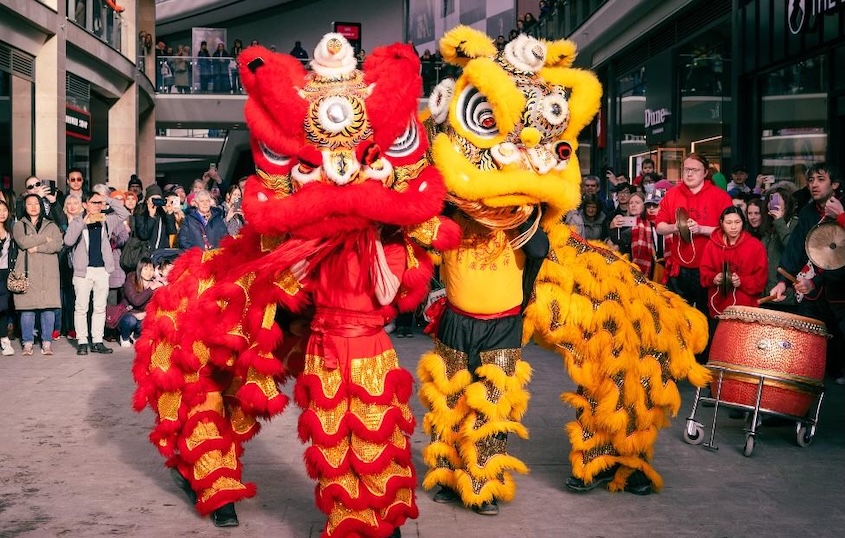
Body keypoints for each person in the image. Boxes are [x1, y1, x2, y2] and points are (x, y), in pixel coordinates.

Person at [771, 162, 845, 382]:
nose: (814, 185)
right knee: (806, 350)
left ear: (835, 184)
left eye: (821, 180)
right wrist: (783, 281)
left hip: (839, 293)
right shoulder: (808, 212)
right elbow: (795, 248)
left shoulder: (843, 207)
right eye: (811, 180)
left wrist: (842, 216)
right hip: (813, 296)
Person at [656, 153, 732, 328]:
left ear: (705, 172)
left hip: (710, 268)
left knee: (708, 317)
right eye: (686, 170)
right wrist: (677, 227)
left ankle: (706, 355)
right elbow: (659, 226)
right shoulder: (673, 194)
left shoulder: (719, 197)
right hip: (679, 267)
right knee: (677, 317)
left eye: (694, 170)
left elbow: (732, 231)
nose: (689, 174)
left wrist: (702, 229)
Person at [64, 186, 130, 355]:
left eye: (98, 203)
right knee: (81, 307)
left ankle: (97, 340)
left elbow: (124, 213)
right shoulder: (78, 221)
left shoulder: (106, 220)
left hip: (102, 270)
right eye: (93, 203)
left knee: (100, 307)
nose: (97, 206)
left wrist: (106, 199)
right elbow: (69, 241)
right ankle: (82, 341)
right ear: (85, 204)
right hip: (83, 271)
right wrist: (82, 223)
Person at [13, 193, 63, 356]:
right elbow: (22, 241)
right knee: (27, 309)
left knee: (48, 309)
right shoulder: (19, 225)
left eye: (36, 203)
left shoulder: (52, 225)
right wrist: (44, 239)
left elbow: (57, 244)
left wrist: (38, 246)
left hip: (48, 273)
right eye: (29, 204)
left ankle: (46, 342)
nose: (33, 207)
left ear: (41, 206)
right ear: (24, 207)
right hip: (28, 272)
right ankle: (27, 343)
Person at [700, 206, 768, 324]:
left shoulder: (755, 246)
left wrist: (742, 281)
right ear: (721, 223)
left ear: (743, 222)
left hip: (745, 310)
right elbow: (704, 272)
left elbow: (760, 280)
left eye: (737, 222)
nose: (733, 227)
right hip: (717, 307)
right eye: (728, 222)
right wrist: (714, 278)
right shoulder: (712, 245)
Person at [759, 183, 799, 311]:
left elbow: (793, 250)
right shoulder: (767, 227)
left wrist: (779, 220)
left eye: (777, 200)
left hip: (787, 298)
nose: (773, 204)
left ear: (787, 204)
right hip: (766, 295)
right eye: (770, 200)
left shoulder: (796, 224)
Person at [117, 257, 162, 347]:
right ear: (139, 269)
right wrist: (150, 289)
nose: (148, 272)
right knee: (130, 320)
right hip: (128, 314)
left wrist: (146, 313)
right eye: (145, 269)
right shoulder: (130, 281)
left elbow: (158, 304)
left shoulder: (155, 283)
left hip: (144, 316)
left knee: (150, 321)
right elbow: (136, 301)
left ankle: (136, 335)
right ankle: (124, 337)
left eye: (151, 269)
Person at [0, 200, 16, 355]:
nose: (2, 213)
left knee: (3, 307)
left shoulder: (10, 231)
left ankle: (4, 340)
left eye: (4, 209)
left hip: (5, 272)